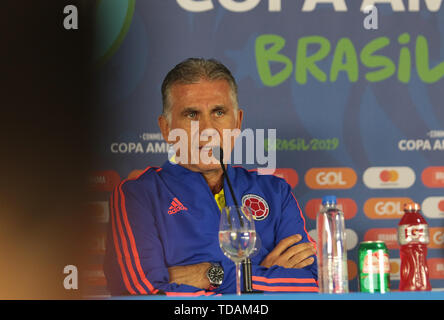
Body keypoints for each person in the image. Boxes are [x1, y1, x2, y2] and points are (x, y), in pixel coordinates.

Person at [103, 58, 318, 295]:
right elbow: (141, 291)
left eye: (218, 112)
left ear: (237, 122)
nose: (207, 128)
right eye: (192, 114)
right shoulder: (138, 196)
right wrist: (260, 276)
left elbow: (311, 284)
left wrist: (209, 274)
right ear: (166, 129)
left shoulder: (275, 191)